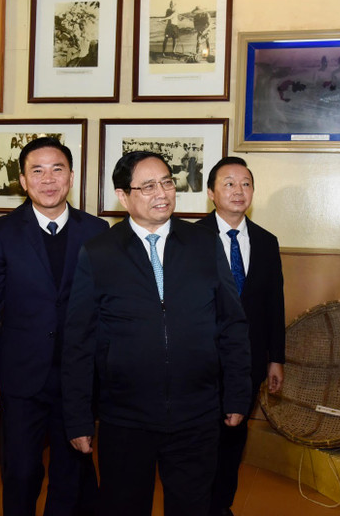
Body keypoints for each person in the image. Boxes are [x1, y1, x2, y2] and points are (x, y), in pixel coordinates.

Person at [62, 151, 252, 516]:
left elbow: (232, 324)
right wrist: (78, 417)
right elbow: (79, 343)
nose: (162, 192)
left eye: (167, 181)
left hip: (196, 413)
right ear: (123, 196)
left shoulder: (203, 244)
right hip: (125, 417)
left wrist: (237, 395)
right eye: (147, 186)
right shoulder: (99, 252)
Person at [0, 136, 107, 516]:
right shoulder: (3, 231)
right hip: (20, 377)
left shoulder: (96, 231)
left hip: (77, 377)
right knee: (20, 472)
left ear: (71, 177)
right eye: (37, 170)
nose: (48, 179)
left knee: (72, 473)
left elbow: (106, 307)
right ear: (22, 180)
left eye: (57, 169)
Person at [196, 157, 285, 516]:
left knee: (234, 436)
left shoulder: (266, 241)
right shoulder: (189, 239)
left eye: (245, 183)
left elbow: (274, 303)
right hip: (199, 357)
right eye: (229, 183)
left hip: (246, 360)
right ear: (211, 193)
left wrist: (276, 357)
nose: (238, 190)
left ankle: (221, 506)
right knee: (200, 438)